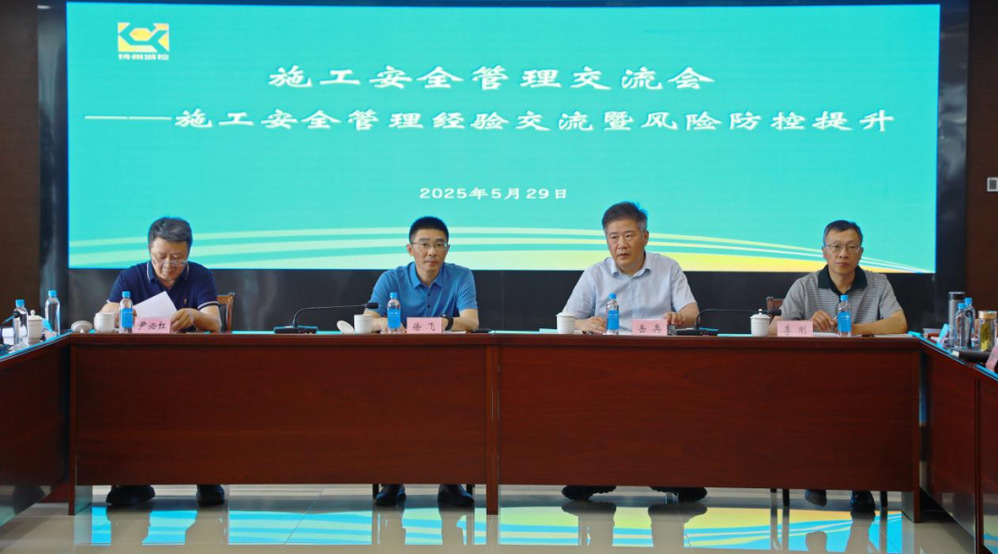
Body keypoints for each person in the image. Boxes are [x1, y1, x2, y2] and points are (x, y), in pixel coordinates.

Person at [560, 201, 706, 503]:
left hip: (661, 359)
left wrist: (680, 317)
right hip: (608, 363)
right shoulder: (595, 274)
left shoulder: (668, 268)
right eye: (613, 237)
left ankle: (673, 474)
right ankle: (594, 474)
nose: (621, 245)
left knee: (680, 397)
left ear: (645, 236)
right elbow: (567, 320)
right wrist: (585, 323)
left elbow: (692, 311)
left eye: (628, 235)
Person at [770, 219, 907, 512]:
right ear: (824, 251)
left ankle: (860, 486)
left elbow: (899, 322)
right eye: (835, 247)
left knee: (864, 409)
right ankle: (818, 476)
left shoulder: (878, 283)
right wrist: (808, 324)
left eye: (850, 247)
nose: (843, 254)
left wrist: (855, 328)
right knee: (816, 406)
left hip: (864, 377)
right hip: (813, 378)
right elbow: (774, 330)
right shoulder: (805, 286)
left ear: (860, 252)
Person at [99, 217, 224, 508]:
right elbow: (105, 316)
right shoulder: (131, 277)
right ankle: (133, 481)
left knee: (205, 402)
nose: (169, 265)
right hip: (139, 370)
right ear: (149, 250)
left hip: (189, 370)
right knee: (124, 401)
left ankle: (207, 475)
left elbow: (215, 322)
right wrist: (118, 315)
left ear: (188, 252)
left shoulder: (200, 275)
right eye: (161, 257)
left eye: (178, 258)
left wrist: (194, 315)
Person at [364, 216, 479, 507]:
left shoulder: (461, 276)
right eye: (424, 244)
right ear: (410, 249)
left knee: (457, 405)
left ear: (447, 249)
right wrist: (384, 324)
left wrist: (438, 323)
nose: (432, 252)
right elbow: (367, 320)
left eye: (439, 245)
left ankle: (451, 481)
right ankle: (392, 480)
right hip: (397, 367)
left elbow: (471, 321)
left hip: (448, 366)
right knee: (389, 405)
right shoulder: (391, 279)